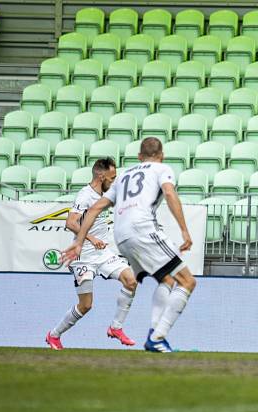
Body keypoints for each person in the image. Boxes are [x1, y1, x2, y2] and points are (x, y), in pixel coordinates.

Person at [62, 137, 196, 353]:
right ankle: (157, 337)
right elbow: (170, 193)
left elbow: (96, 208)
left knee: (166, 280)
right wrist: (184, 229)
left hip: (121, 237)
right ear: (161, 156)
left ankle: (151, 336)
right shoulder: (162, 169)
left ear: (139, 157)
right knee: (187, 281)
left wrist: (78, 241)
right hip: (143, 229)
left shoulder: (123, 176)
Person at [46, 158, 138, 350]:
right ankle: (54, 335)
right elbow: (71, 223)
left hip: (103, 254)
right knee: (86, 305)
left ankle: (116, 328)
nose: (113, 182)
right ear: (100, 175)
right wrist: (90, 238)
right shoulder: (85, 195)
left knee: (131, 281)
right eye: (112, 178)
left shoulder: (105, 195)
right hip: (84, 258)